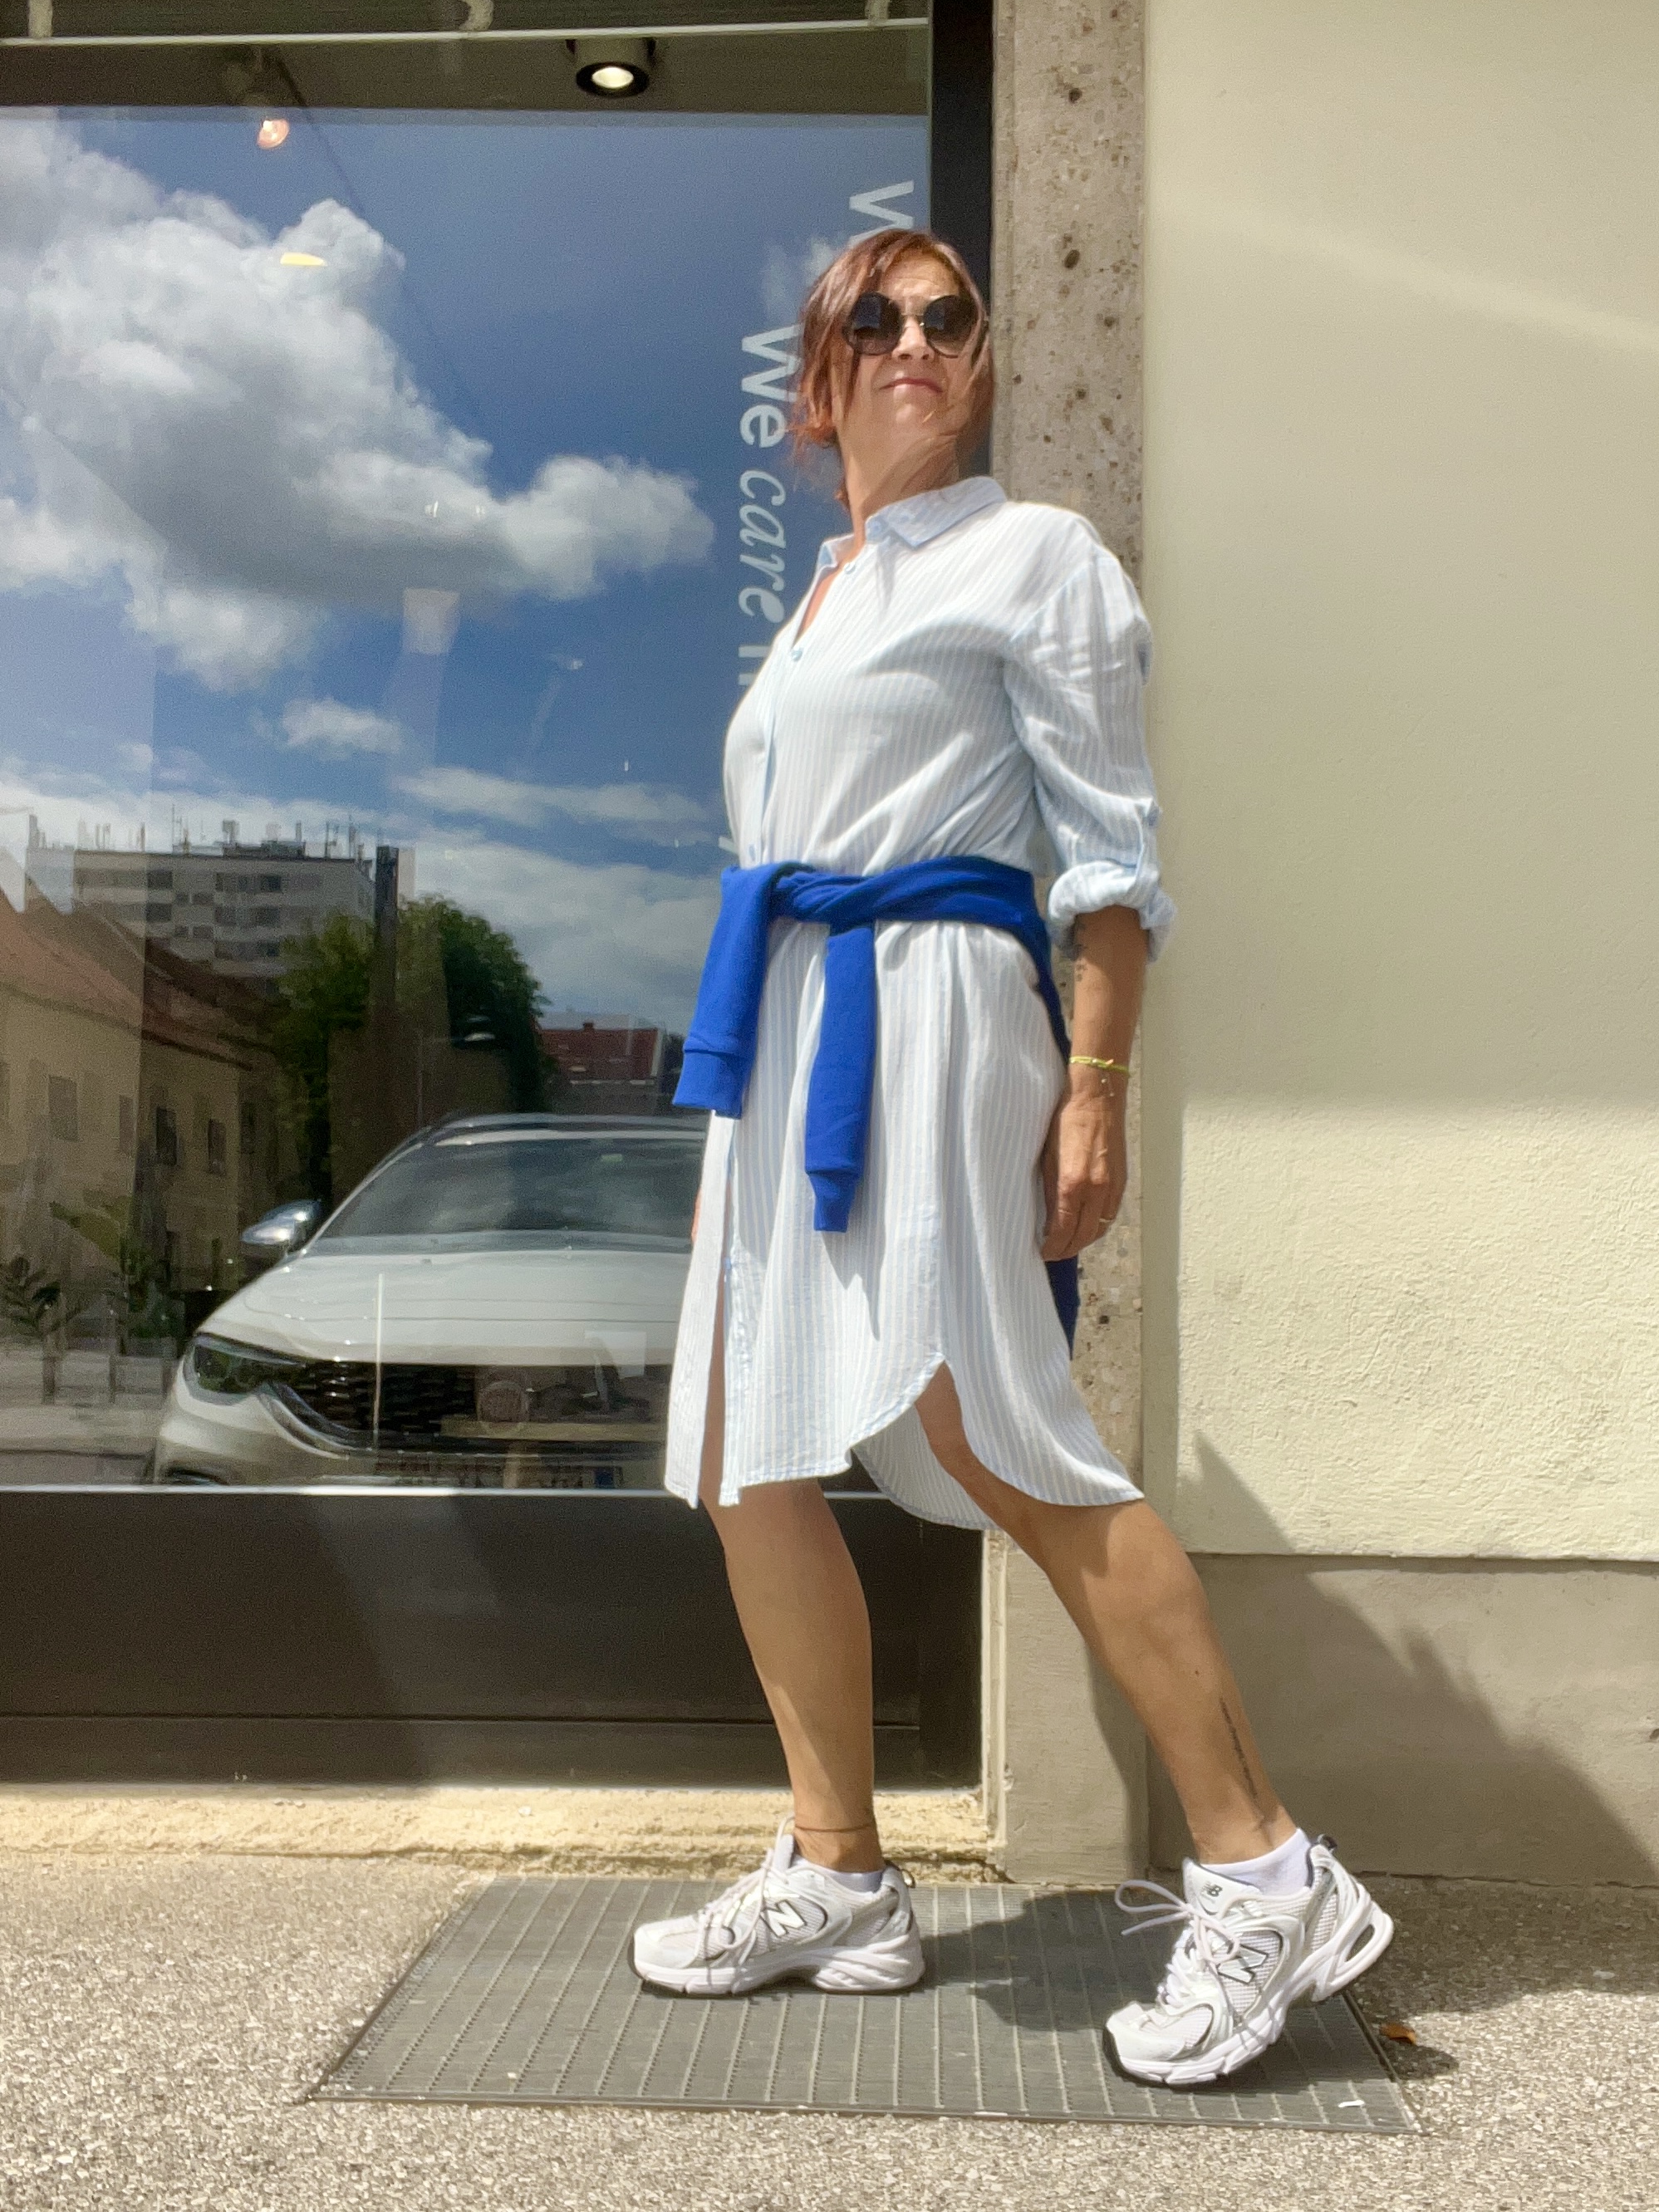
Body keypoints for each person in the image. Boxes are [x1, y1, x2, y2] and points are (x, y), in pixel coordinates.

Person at [630, 228, 1392, 2086]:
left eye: (948, 315)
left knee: (998, 1429)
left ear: (977, 363)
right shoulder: (826, 593)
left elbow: (1111, 853)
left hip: (932, 1009)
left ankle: (1267, 1870)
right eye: (874, 316)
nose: (916, 337)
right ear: (817, 379)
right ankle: (838, 1872)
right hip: (790, 1027)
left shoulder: (1035, 556)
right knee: (737, 1445)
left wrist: (1096, 1084)